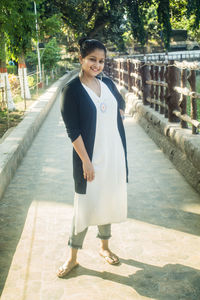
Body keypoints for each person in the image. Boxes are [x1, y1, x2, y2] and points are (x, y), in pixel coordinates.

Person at [57, 38, 128, 278]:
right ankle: (72, 257)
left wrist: (118, 112)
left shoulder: (106, 82)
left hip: (113, 154)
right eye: (92, 60)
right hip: (90, 159)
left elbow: (120, 103)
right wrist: (86, 161)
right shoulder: (72, 90)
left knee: (106, 199)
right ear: (81, 59)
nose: (97, 65)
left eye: (101, 61)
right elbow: (72, 131)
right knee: (84, 207)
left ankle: (104, 247)